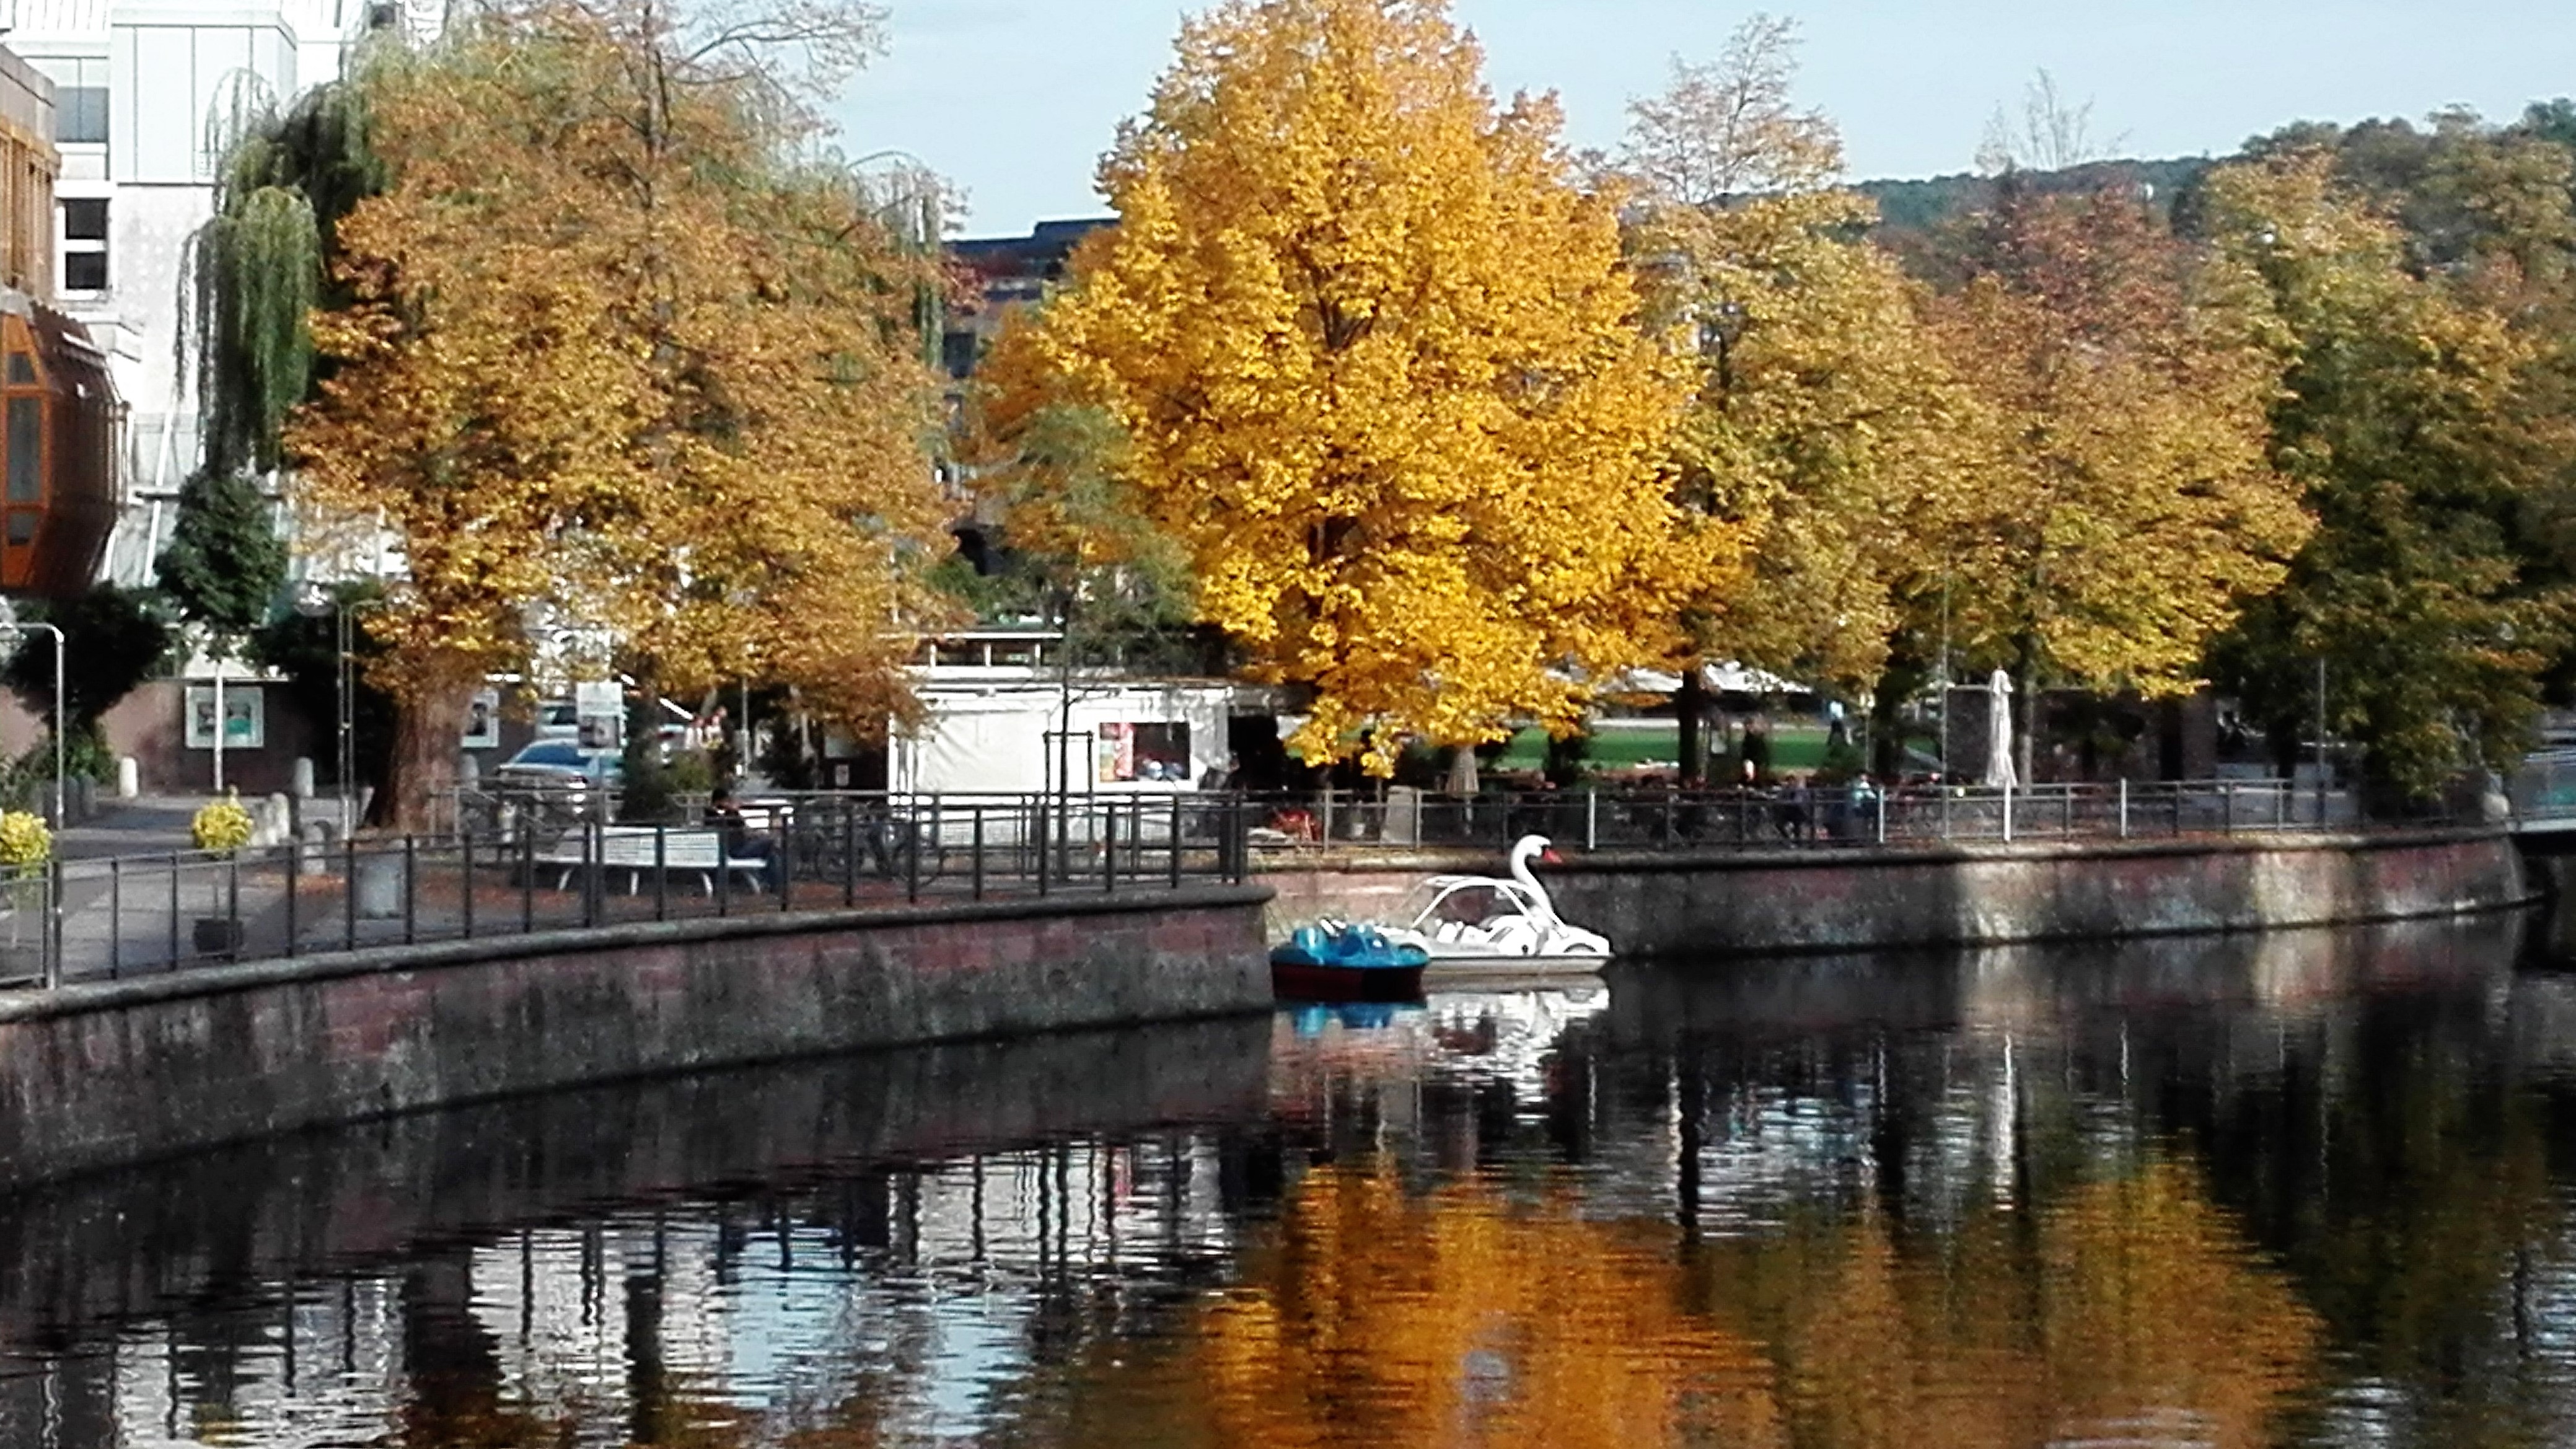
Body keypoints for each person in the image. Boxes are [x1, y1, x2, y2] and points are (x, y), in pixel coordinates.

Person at [705, 785, 786, 893]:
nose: (728, 803)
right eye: (726, 801)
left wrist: (733, 812)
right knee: (771, 844)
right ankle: (775, 885)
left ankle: (774, 884)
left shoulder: (723, 815)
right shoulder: (713, 816)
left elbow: (740, 826)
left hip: (740, 847)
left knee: (772, 854)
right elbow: (733, 825)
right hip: (735, 851)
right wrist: (732, 811)